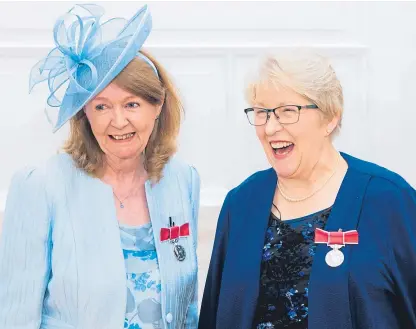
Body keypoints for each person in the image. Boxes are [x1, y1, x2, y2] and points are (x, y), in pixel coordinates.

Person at [0, 4, 200, 329]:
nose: (118, 121)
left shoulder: (182, 180)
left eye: (132, 104)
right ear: (84, 114)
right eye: (101, 106)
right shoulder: (39, 185)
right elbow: (15, 318)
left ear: (158, 105)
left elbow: (187, 310)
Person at [198, 52, 416, 329]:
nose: (270, 127)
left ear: (330, 118)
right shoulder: (241, 203)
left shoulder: (389, 200)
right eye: (262, 112)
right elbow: (213, 314)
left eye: (288, 111)